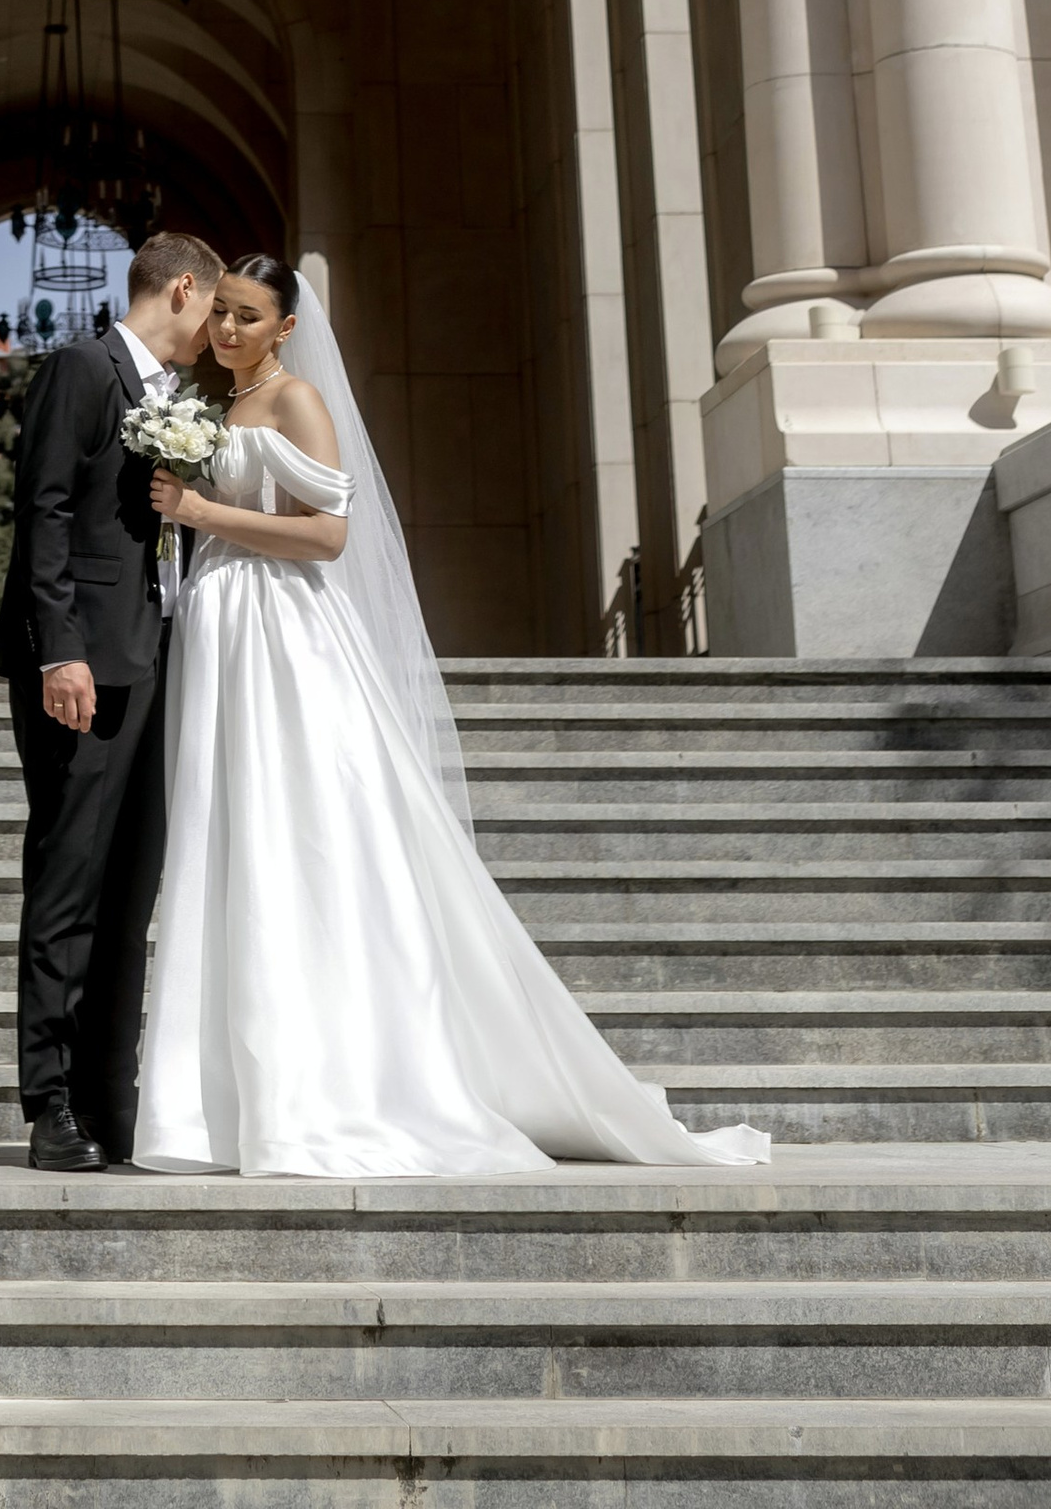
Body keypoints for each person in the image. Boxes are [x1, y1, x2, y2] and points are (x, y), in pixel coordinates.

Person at [133, 254, 770, 1179]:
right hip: (222, 625)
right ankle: (218, 1104)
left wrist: (201, 511)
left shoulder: (298, 400)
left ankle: (337, 1088)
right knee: (227, 832)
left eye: (247, 316)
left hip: (283, 632)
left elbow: (327, 535)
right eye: (222, 313)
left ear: (285, 327)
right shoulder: (219, 408)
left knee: (294, 827)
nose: (227, 330)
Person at [0, 223, 225, 1171]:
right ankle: (49, 1108)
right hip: (82, 670)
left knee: (132, 893)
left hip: (155, 662)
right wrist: (60, 654)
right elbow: (42, 509)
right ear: (180, 292)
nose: (214, 327)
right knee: (69, 884)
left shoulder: (179, 397)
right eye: (212, 307)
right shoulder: (84, 371)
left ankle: (109, 1104)